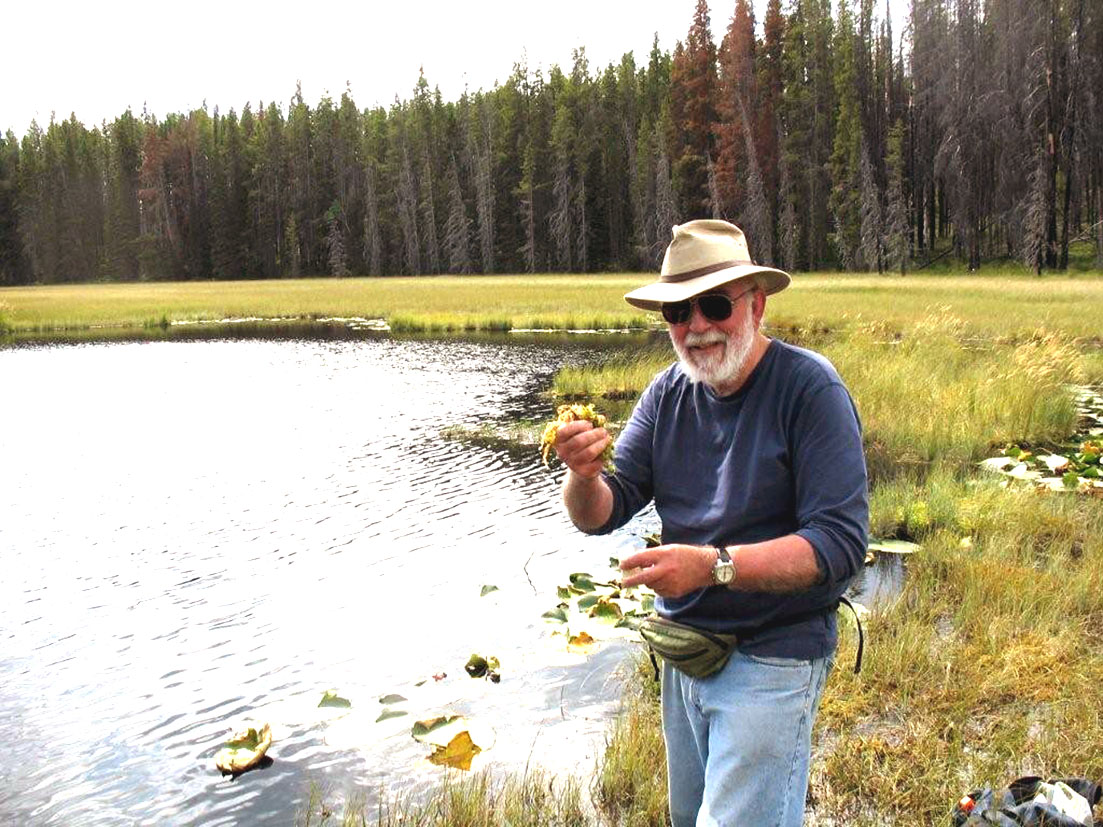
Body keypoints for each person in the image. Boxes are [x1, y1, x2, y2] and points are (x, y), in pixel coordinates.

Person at [552, 219, 868, 827]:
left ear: (756, 303)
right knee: (688, 817)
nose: (696, 326)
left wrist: (711, 567)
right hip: (686, 652)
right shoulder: (668, 393)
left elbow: (839, 546)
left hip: (776, 653)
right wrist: (584, 476)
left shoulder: (810, 389)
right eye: (678, 310)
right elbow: (603, 513)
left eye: (715, 304)